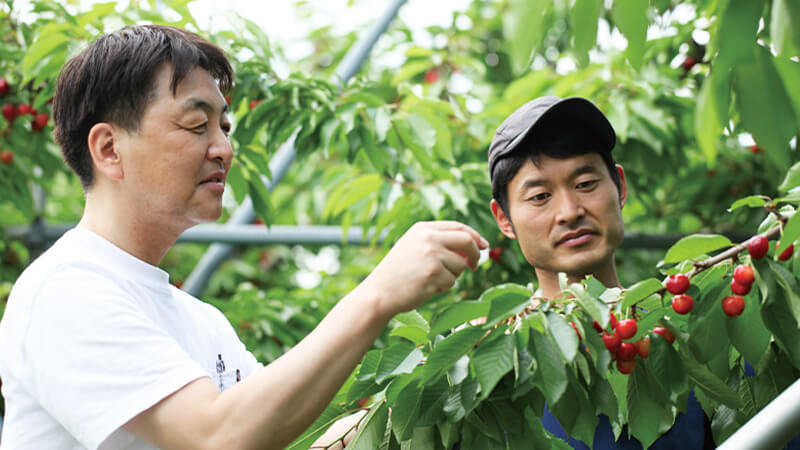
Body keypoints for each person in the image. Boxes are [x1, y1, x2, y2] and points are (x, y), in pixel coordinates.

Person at [0, 25, 488, 450]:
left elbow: (284, 436)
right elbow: (220, 438)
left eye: (224, 126)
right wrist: (377, 297)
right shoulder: (64, 292)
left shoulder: (200, 321)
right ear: (109, 148)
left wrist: (448, 387)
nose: (224, 149)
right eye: (196, 125)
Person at [487, 96, 711, 449]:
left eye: (585, 183)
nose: (569, 212)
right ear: (504, 219)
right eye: (540, 196)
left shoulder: (699, 341)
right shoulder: (490, 378)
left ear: (619, 186)